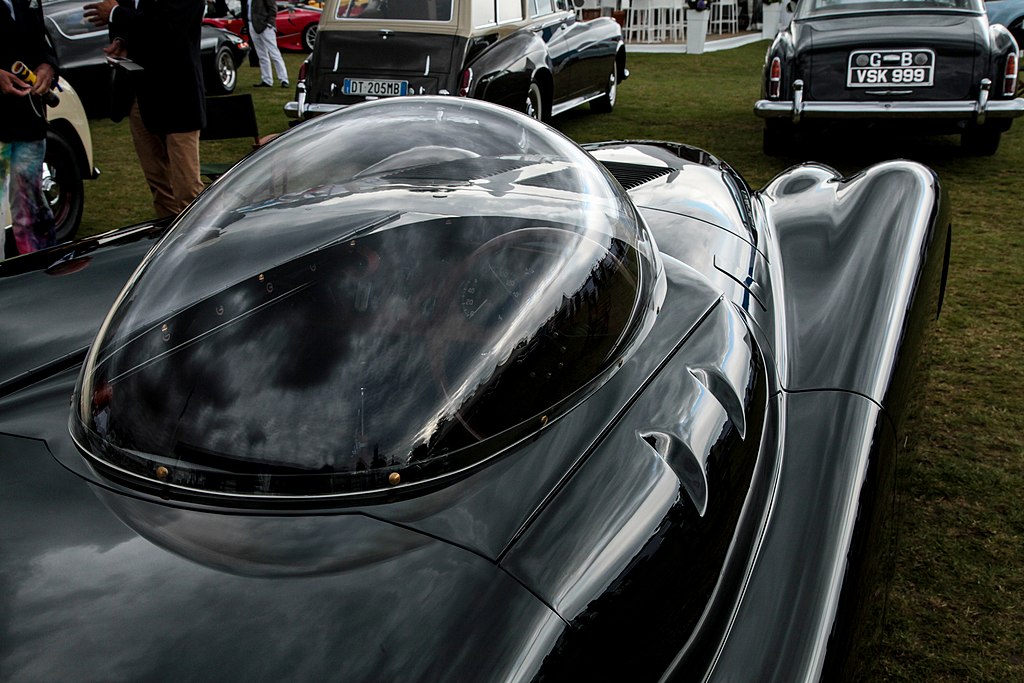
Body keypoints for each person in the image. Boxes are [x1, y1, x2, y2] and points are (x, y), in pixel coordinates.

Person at [83, 0, 206, 219]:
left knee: (187, 187)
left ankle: (200, 236)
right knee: (158, 182)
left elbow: (168, 30)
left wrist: (115, 13)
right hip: (139, 94)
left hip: (177, 96)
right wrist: (122, 41)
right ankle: (167, 233)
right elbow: (143, 26)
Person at [0, 0, 59, 255]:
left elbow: (41, 42)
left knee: (31, 209)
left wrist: (48, 65)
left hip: (28, 119)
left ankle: (40, 269)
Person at [249, 0, 289, 88]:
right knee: (262, 55)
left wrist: (269, 23)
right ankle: (267, 79)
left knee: (274, 53)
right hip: (252, 25)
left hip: (266, 26)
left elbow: (273, 9)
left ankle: (284, 79)